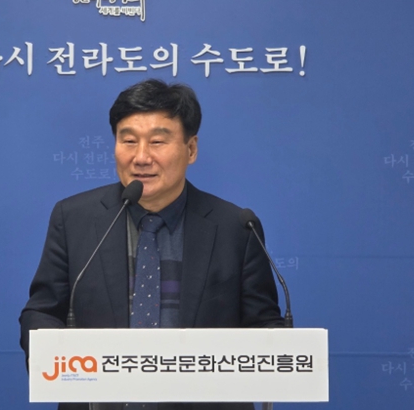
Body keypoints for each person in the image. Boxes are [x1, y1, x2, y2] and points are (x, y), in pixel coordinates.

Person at [20, 79, 283, 410]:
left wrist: (278, 349)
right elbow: (42, 311)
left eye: (157, 141)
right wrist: (54, 361)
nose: (141, 157)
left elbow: (263, 326)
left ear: (191, 149)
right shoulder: (73, 218)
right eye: (128, 140)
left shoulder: (236, 227)